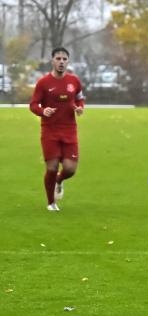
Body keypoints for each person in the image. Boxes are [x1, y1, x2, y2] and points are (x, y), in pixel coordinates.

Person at [29, 47, 85, 211]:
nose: (61, 62)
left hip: (69, 130)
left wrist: (80, 108)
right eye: (58, 58)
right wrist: (42, 111)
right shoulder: (43, 83)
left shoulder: (74, 81)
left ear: (68, 61)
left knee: (70, 169)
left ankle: (59, 181)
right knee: (52, 167)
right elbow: (33, 105)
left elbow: (80, 99)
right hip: (50, 130)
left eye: (64, 59)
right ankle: (51, 203)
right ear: (52, 61)